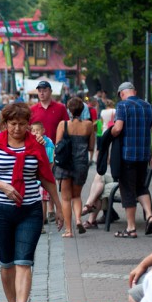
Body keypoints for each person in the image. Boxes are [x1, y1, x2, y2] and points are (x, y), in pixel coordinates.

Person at [0, 103, 63, 302]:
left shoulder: (36, 146)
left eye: (22, 124)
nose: (17, 128)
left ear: (28, 124)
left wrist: (60, 207)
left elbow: (46, 178)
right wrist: (3, 186)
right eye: (13, 124)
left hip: (30, 210)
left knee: (24, 261)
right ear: (4, 124)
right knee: (7, 262)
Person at [111, 82, 152, 238]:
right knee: (141, 186)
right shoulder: (148, 106)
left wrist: (112, 132)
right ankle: (150, 216)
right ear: (134, 91)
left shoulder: (122, 106)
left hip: (127, 155)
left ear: (122, 94)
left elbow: (118, 128)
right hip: (144, 155)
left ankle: (131, 228)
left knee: (127, 190)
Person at [53, 97, 95, 237]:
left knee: (65, 198)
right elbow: (91, 147)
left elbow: (58, 145)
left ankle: (68, 230)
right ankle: (78, 219)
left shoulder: (63, 125)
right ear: (82, 109)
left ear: (68, 109)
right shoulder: (89, 125)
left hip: (65, 165)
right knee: (76, 196)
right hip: (81, 164)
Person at [30, 121, 56, 231]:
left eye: (37, 130)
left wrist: (46, 176)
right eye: (33, 130)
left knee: (42, 201)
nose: (35, 133)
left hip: (43, 177)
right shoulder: (31, 142)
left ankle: (41, 225)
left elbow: (50, 162)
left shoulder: (48, 144)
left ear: (43, 130)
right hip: (33, 177)